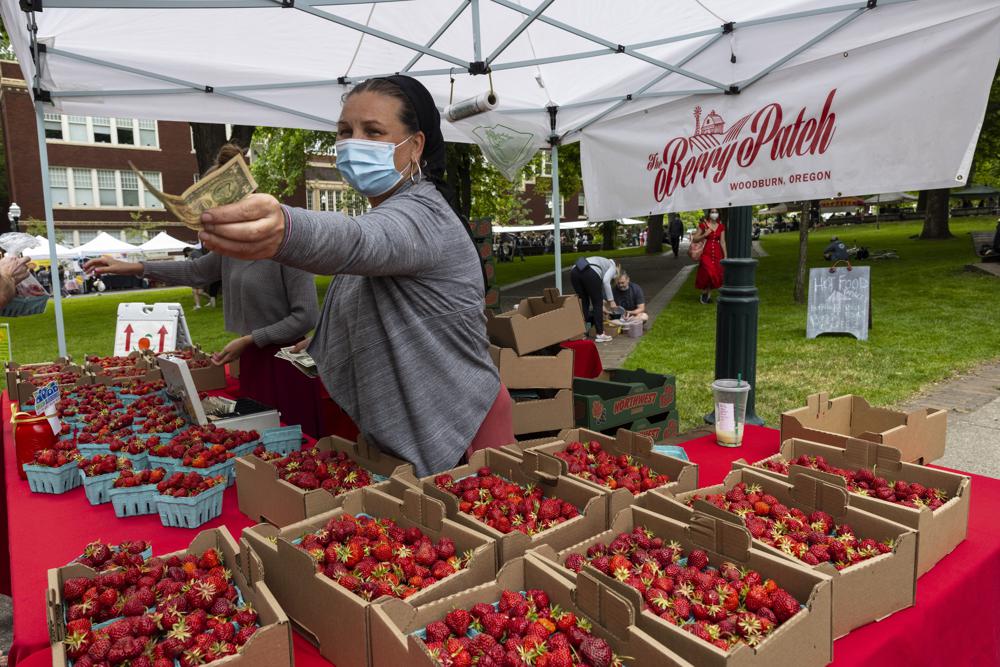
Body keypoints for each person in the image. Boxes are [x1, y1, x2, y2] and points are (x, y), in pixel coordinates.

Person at [193, 76, 512, 477]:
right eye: (345, 132)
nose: (353, 143)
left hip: (460, 423)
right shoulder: (392, 208)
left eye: (373, 132)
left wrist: (287, 227)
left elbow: (356, 241)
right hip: (420, 419)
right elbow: (377, 289)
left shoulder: (423, 214)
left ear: (415, 146)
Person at [85, 144, 323, 433]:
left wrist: (249, 340)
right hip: (251, 362)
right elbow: (195, 271)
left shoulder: (287, 243)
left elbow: (306, 316)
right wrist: (134, 266)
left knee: (294, 444)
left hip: (286, 367)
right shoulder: (231, 249)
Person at [570, 255, 618, 343]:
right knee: (597, 303)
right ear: (617, 266)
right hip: (590, 272)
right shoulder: (613, 265)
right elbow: (606, 281)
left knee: (583, 303)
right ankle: (600, 334)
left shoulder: (600, 260)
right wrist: (611, 301)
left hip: (574, 272)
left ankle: (580, 334)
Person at [692, 208, 727, 304]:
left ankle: (707, 295)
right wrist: (705, 234)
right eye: (712, 212)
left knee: (715, 274)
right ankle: (704, 293)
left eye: (716, 212)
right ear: (709, 213)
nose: (714, 214)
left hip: (717, 252)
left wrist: (725, 256)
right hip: (706, 252)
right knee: (707, 272)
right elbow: (695, 239)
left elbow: (723, 242)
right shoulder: (703, 225)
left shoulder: (721, 226)